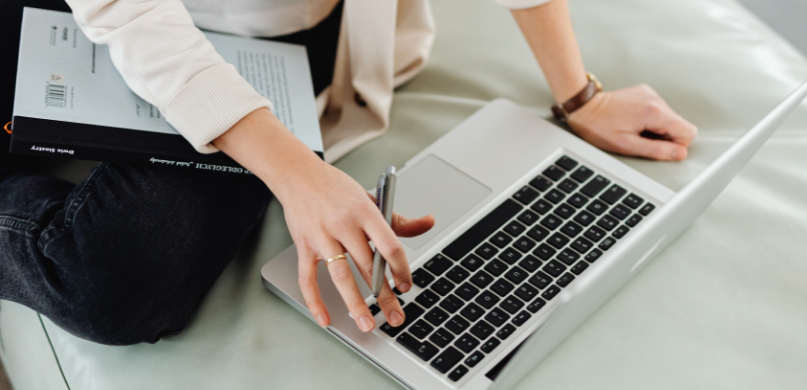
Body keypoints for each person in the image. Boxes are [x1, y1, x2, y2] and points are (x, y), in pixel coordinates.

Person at [0, 0, 697, 345]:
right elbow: (128, 10)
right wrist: (298, 175)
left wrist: (582, 97)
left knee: (116, 279)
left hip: (253, 46)